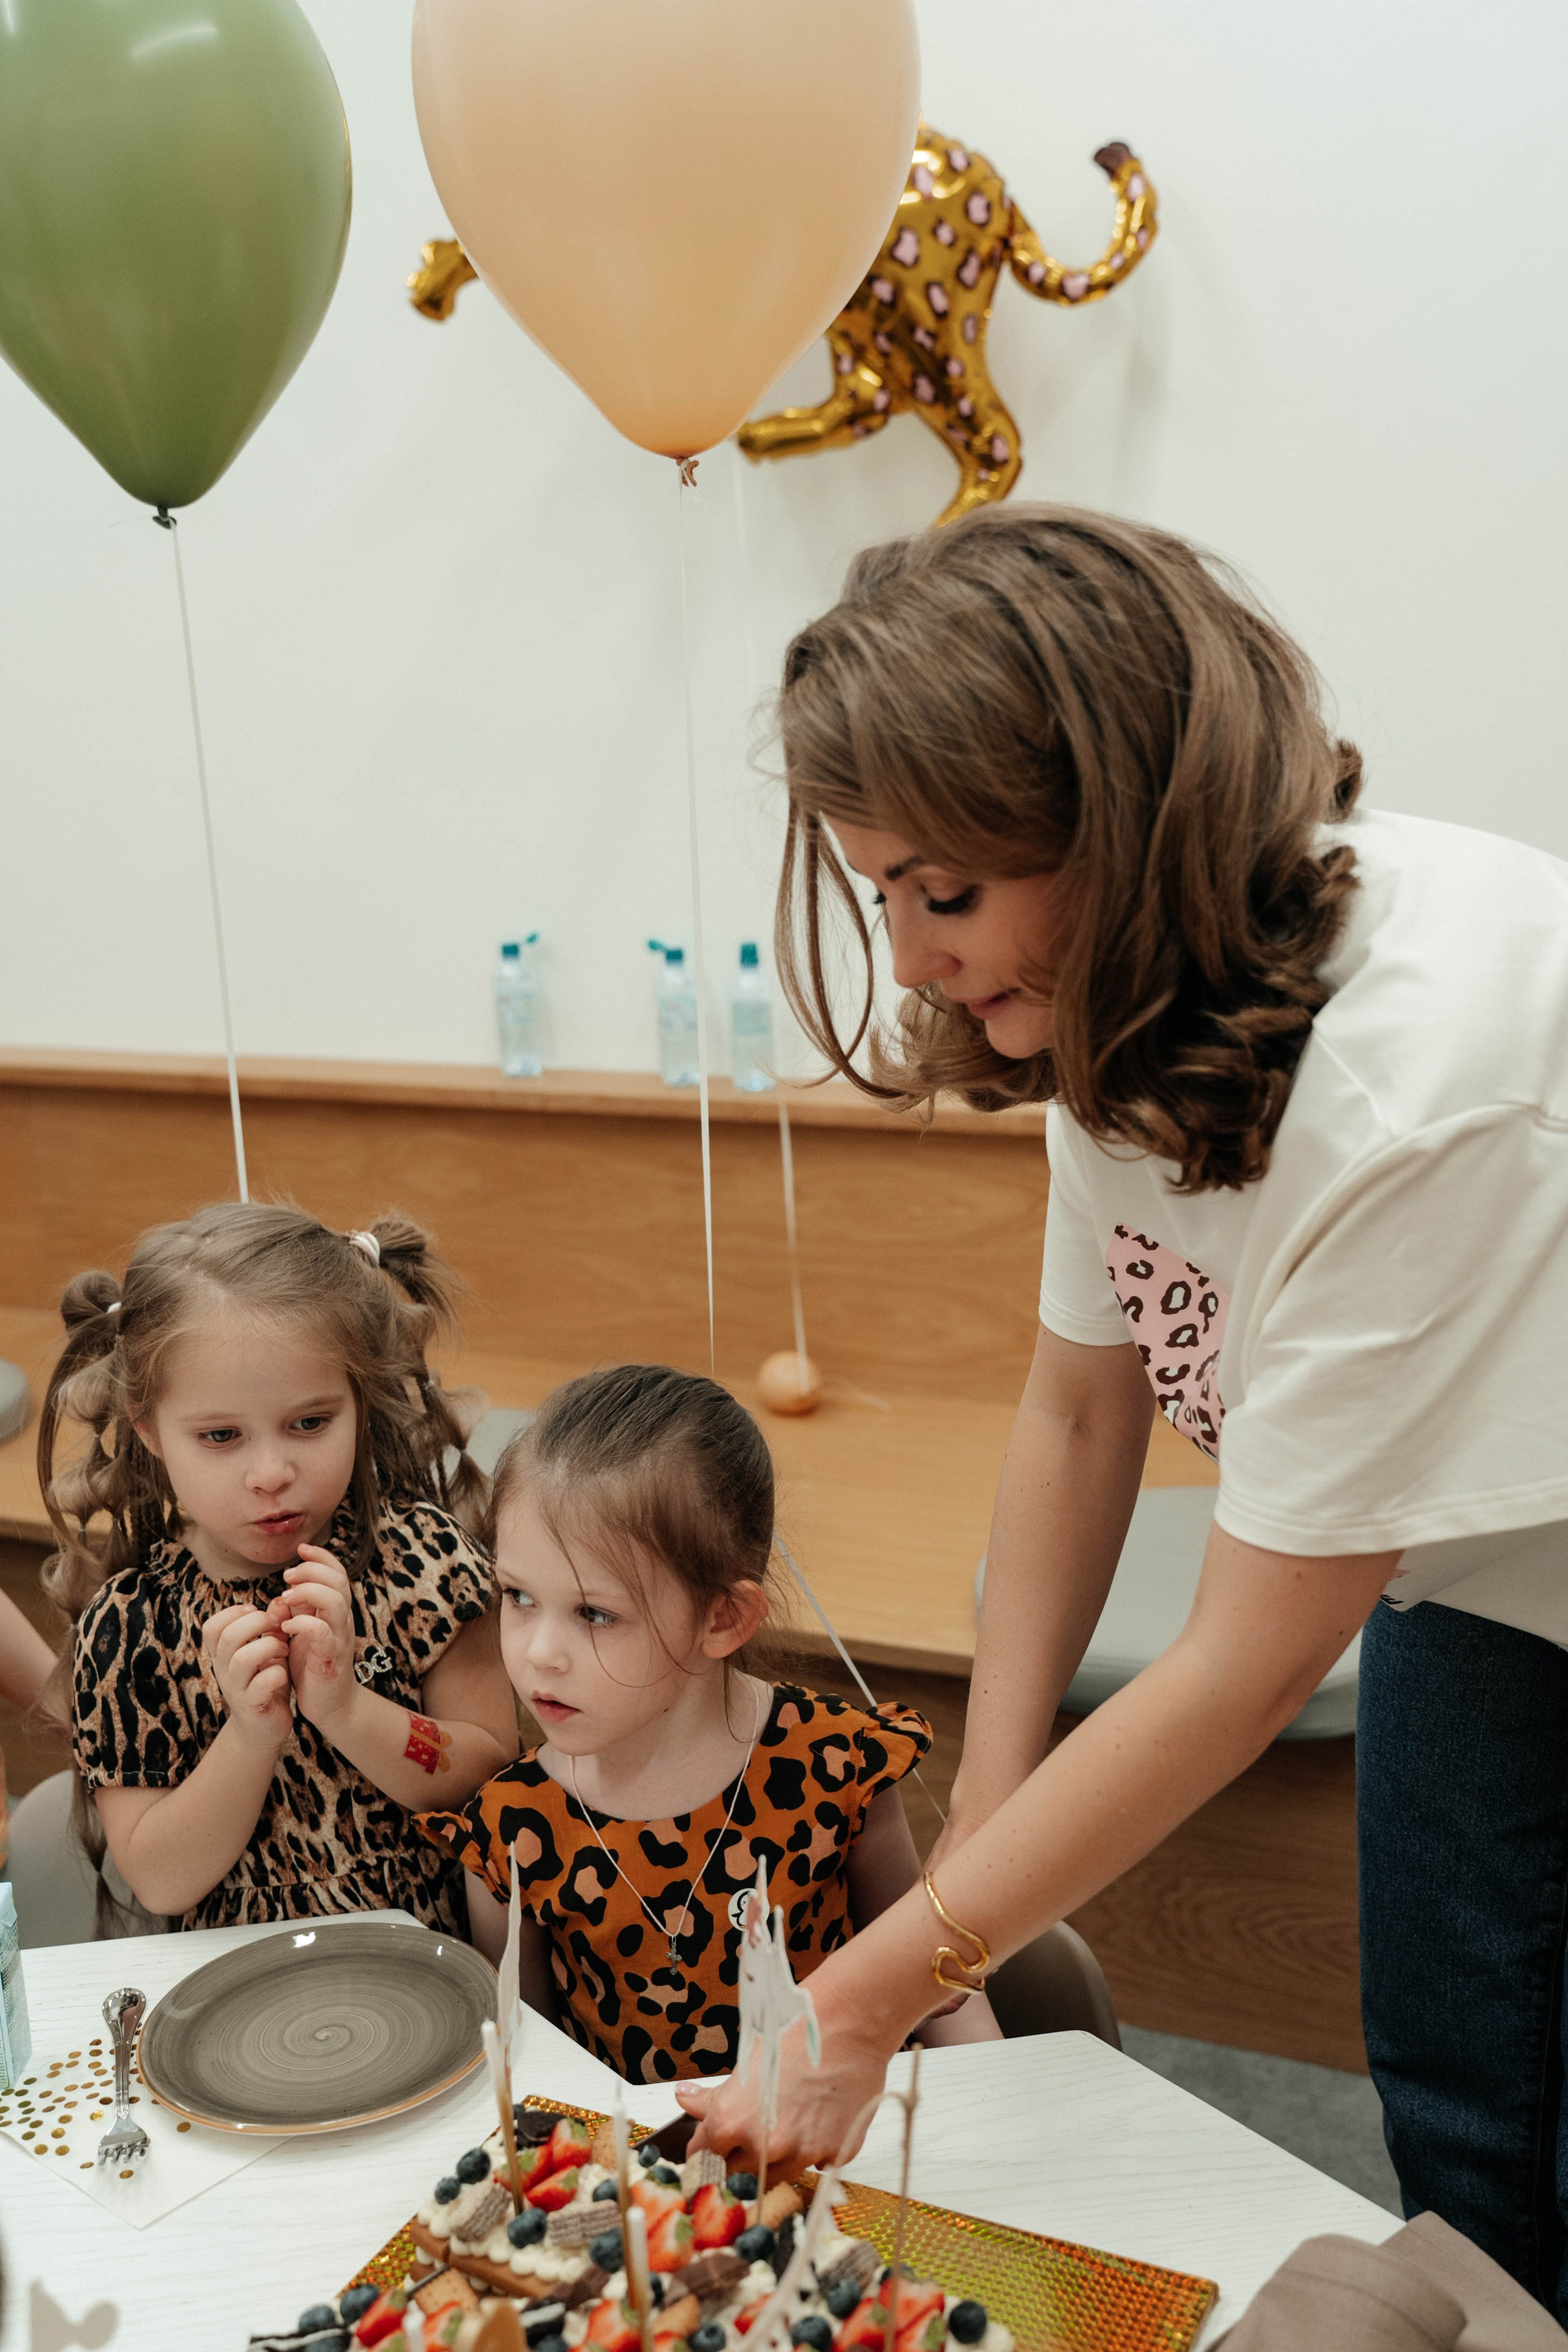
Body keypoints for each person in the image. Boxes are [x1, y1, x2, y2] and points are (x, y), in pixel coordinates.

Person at [679, 504, 1568, 2318]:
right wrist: (968, 1892)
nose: (917, 959)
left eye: (946, 891)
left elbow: (1242, 1661)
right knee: (1462, 2092)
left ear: (1123, 825)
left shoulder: (1411, 1082)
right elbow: (1079, 1420)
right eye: (884, 899)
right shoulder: (1103, 1009)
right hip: (1468, 1557)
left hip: (1502, 1524)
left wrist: (857, 1995)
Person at [418, 1360, 998, 2081]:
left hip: (850, 2151)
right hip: (651, 2183)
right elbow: (525, 2073)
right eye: (518, 1596)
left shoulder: (836, 1764)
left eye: (594, 1614)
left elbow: (931, 1975)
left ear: (722, 1618)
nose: (538, 1654)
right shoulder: (512, 1831)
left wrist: (998, 2109)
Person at [40, 1202, 519, 1933]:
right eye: (222, 1435)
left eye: (309, 1423)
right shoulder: (130, 1627)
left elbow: (487, 1779)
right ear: (149, 1429)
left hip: (428, 1985)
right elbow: (162, 1881)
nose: (271, 1473)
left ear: (360, 1399)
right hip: (230, 2007)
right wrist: (252, 1734)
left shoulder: (427, 1561)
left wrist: (348, 1710)